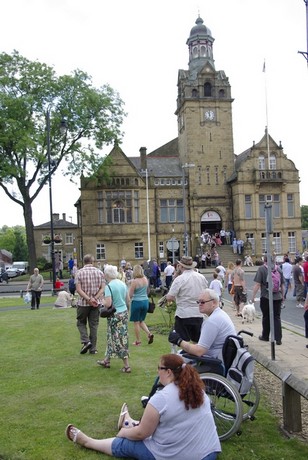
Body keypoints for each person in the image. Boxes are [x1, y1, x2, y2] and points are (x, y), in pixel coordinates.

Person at [66, 353, 221, 460]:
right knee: (155, 426)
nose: (157, 371)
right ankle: (128, 422)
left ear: (168, 372)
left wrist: (124, 433)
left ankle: (88, 441)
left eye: (159, 368)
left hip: (177, 456)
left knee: (127, 444)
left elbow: (142, 434)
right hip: (209, 452)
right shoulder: (198, 390)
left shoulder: (161, 398)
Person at [168, 288, 236, 359]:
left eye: (203, 302)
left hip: (216, 362)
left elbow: (199, 351)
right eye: (198, 302)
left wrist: (178, 341)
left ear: (214, 303)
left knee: (173, 361)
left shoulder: (212, 321)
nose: (199, 305)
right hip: (222, 356)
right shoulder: (220, 314)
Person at [166, 256, 208, 343]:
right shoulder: (201, 277)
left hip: (183, 313)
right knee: (197, 342)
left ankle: (185, 356)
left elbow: (170, 297)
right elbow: (206, 293)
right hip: (198, 312)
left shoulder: (179, 279)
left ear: (180, 266)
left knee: (184, 342)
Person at [97, 264, 131, 372]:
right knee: (114, 337)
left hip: (114, 315)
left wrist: (102, 301)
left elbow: (108, 304)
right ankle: (106, 360)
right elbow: (128, 300)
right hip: (124, 312)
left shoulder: (109, 287)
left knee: (118, 339)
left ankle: (127, 366)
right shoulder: (122, 284)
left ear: (106, 275)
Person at [75, 254, 105, 355]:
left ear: (84, 262)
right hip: (96, 303)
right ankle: (93, 348)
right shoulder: (100, 272)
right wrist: (94, 299)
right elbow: (102, 288)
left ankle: (86, 341)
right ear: (93, 261)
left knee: (81, 322)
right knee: (94, 325)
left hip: (83, 303)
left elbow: (78, 289)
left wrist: (88, 299)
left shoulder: (79, 273)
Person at [251, 255, 284, 345]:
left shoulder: (262, 269)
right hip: (277, 297)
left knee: (266, 316)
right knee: (277, 317)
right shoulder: (279, 269)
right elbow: (282, 285)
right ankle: (278, 339)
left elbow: (257, 284)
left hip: (265, 296)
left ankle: (265, 336)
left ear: (264, 260)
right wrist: (283, 297)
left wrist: (253, 296)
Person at [129, 264, 154, 346]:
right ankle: (149, 334)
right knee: (141, 321)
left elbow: (130, 294)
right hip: (145, 302)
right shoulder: (145, 279)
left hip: (137, 302)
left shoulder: (134, 281)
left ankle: (138, 341)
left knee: (136, 322)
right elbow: (148, 291)